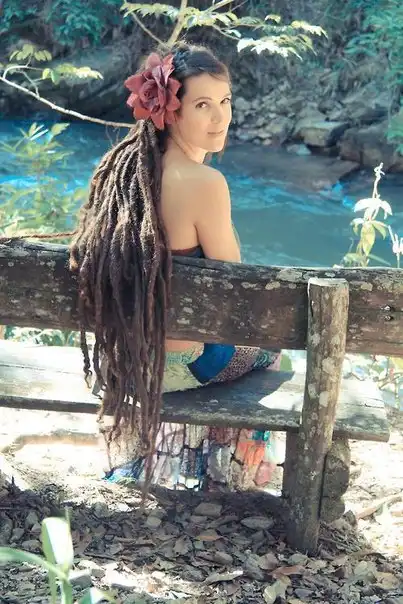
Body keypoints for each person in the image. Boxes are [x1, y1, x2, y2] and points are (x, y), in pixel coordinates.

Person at [69, 42, 281, 493]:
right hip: (179, 367)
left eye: (225, 101)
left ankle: (171, 459)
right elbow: (236, 288)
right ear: (170, 111)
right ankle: (224, 472)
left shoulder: (127, 175)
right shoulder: (206, 183)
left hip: (121, 359)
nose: (220, 117)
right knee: (272, 352)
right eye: (203, 105)